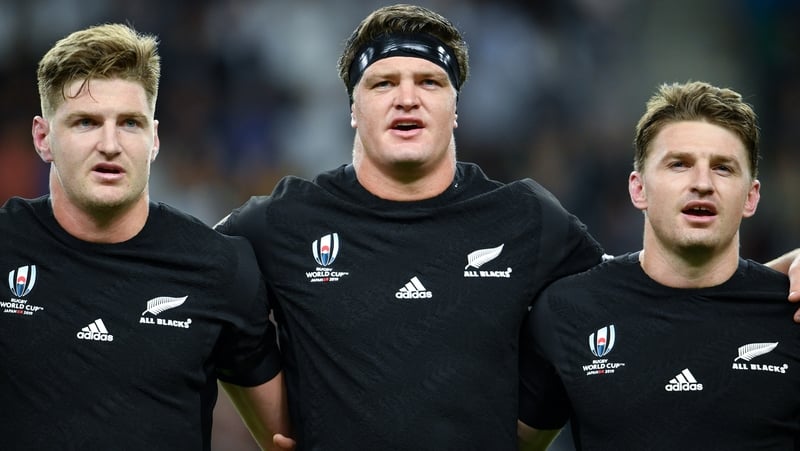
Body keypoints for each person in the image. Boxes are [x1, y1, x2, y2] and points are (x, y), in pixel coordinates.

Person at [215, 5, 800, 450]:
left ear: (456, 107)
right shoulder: (286, 218)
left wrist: (770, 281)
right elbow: (191, 275)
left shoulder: (527, 218)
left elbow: (635, 295)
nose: (407, 99)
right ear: (352, 107)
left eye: (430, 83)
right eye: (383, 83)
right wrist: (275, 424)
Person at [0, 23, 289, 450]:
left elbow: (286, 438)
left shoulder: (218, 267)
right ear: (43, 138)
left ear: (153, 139)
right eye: (85, 122)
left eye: (130, 123)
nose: (110, 144)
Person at [517, 81, 800, 450]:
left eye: (723, 168)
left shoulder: (791, 313)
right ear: (639, 189)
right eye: (679, 164)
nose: (702, 183)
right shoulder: (569, 310)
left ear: (751, 197)